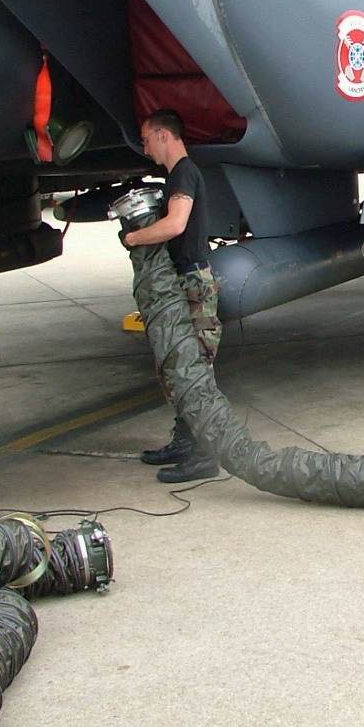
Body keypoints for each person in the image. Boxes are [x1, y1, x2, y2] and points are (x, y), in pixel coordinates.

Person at [121, 108, 223, 484]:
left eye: (147, 140)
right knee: (179, 363)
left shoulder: (183, 173)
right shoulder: (178, 175)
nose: (146, 148)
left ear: (164, 135)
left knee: (194, 367)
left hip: (193, 283)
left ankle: (204, 455)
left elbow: (175, 224)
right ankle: (184, 441)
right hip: (185, 280)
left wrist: (133, 237)